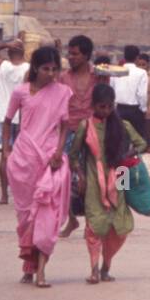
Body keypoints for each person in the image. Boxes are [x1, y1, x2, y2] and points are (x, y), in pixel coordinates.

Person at [3, 46, 71, 288]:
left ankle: (41, 271)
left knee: (47, 215)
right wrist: (5, 151)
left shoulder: (62, 92)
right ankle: (28, 267)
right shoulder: (20, 92)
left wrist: (59, 151)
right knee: (25, 218)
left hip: (49, 159)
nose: (50, 74)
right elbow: (8, 120)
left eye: (54, 69)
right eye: (45, 69)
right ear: (35, 68)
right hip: (23, 159)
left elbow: (65, 125)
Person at [70, 83, 145, 284]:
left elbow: (142, 143)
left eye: (109, 106)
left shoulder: (123, 125)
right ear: (93, 105)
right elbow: (73, 155)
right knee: (94, 224)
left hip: (120, 173)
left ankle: (106, 267)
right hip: (94, 178)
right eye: (101, 107)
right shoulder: (85, 126)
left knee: (120, 225)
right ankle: (94, 269)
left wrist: (128, 155)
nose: (106, 111)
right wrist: (80, 175)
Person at [59, 35, 96, 239]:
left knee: (91, 178)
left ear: (86, 56)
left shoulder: (98, 75)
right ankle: (71, 218)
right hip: (69, 132)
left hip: (91, 132)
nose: (70, 57)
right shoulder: (63, 78)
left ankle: (91, 221)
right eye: (69, 53)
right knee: (64, 179)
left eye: (75, 54)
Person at [0, 40, 28, 152]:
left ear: (9, 52)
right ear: (23, 52)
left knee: (6, 151)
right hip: (22, 115)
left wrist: (5, 44)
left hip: (5, 115)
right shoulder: (29, 68)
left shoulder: (3, 66)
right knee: (21, 151)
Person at [111, 45, 150, 147]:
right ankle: (136, 161)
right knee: (138, 140)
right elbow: (142, 94)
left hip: (119, 109)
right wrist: (143, 109)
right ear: (137, 58)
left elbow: (112, 90)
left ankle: (122, 161)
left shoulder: (116, 71)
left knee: (122, 139)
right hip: (135, 110)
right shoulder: (141, 73)